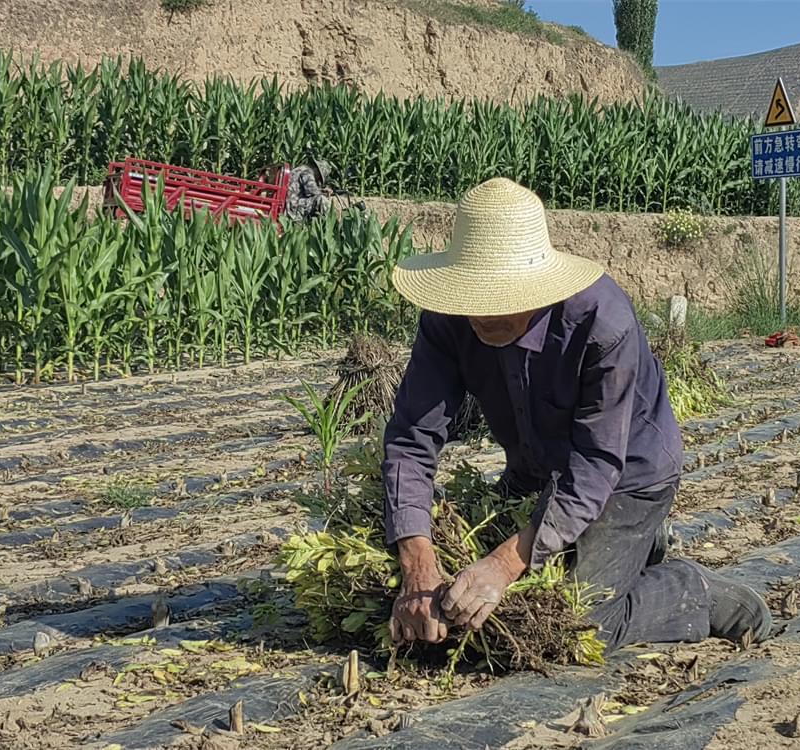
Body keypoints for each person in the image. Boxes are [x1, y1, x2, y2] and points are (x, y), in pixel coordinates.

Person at [381, 177, 773, 651]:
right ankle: (630, 550)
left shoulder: (602, 324)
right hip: (535, 467)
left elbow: (594, 466)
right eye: (473, 299)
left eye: (498, 299)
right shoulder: (447, 318)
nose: (482, 316)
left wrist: (504, 565)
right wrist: (417, 559)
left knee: (575, 621)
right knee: (467, 610)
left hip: (628, 475)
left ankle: (695, 591)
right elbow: (411, 438)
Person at [285, 157, 333, 221]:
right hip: (293, 206)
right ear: (317, 170)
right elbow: (311, 192)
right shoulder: (307, 172)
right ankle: (331, 223)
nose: (317, 178)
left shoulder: (300, 169)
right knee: (321, 199)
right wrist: (323, 193)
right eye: (319, 176)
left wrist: (322, 190)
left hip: (290, 201)